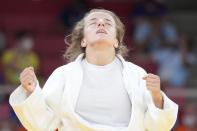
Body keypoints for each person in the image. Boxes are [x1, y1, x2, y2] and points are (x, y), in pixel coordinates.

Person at [9, 9, 178, 131]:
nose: (101, 23)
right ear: (83, 40)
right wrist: (31, 92)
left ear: (116, 41)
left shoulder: (137, 75)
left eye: (108, 23)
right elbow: (43, 125)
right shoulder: (63, 75)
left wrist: (157, 98)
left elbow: (156, 128)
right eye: (93, 22)